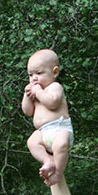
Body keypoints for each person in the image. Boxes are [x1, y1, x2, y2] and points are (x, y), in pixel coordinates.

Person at [22, 47, 74, 184]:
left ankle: (58, 173)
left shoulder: (54, 87)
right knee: (32, 142)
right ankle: (48, 160)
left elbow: (52, 103)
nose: (34, 78)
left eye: (38, 73)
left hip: (59, 129)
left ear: (54, 72)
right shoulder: (35, 91)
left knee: (61, 144)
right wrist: (27, 96)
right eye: (30, 75)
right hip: (43, 132)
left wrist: (38, 92)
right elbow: (27, 112)